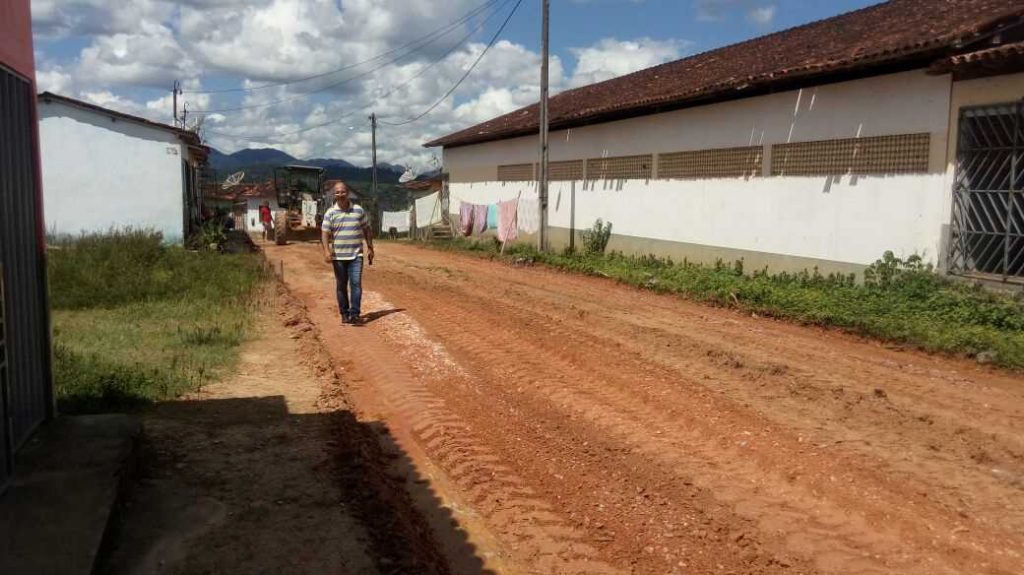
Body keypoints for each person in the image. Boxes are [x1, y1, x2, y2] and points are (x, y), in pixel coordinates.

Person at [321, 181, 374, 325]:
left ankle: (355, 314)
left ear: (348, 193)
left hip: (356, 255)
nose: (340, 194)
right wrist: (326, 251)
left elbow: (367, 229)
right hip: (338, 256)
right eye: (337, 192)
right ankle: (344, 313)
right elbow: (325, 234)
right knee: (341, 285)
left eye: (342, 191)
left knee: (356, 284)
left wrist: (370, 246)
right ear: (334, 194)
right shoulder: (330, 213)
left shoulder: (358, 210)